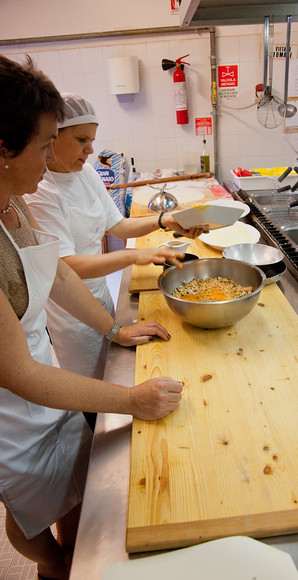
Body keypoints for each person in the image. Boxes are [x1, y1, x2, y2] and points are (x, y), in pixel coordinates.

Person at [0, 54, 182, 580]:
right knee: (25, 501)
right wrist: (130, 400)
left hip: (37, 372)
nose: (48, 160)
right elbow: (19, 376)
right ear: (2, 150)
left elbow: (55, 273)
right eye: (42, 146)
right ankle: (53, 566)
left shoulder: (14, 202)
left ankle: (66, 554)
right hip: (10, 401)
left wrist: (114, 328)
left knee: (65, 476)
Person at [26, 92, 204, 383]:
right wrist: (134, 255)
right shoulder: (40, 191)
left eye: (92, 140)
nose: (90, 150)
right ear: (52, 137)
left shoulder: (85, 173)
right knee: (92, 384)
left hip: (100, 296)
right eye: (82, 140)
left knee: (113, 369)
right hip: (72, 313)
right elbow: (65, 267)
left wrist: (165, 220)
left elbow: (117, 225)